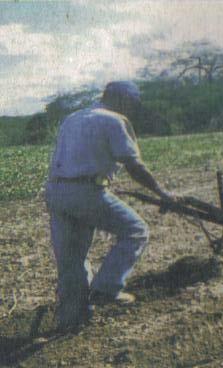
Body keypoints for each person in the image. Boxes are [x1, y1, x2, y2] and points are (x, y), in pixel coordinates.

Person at [45, 81, 174, 332]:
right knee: (135, 230)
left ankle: (72, 319)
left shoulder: (73, 118)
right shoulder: (114, 120)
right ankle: (107, 288)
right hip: (85, 192)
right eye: (133, 104)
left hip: (56, 191)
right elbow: (133, 165)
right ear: (123, 100)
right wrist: (162, 192)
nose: (133, 110)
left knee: (72, 258)